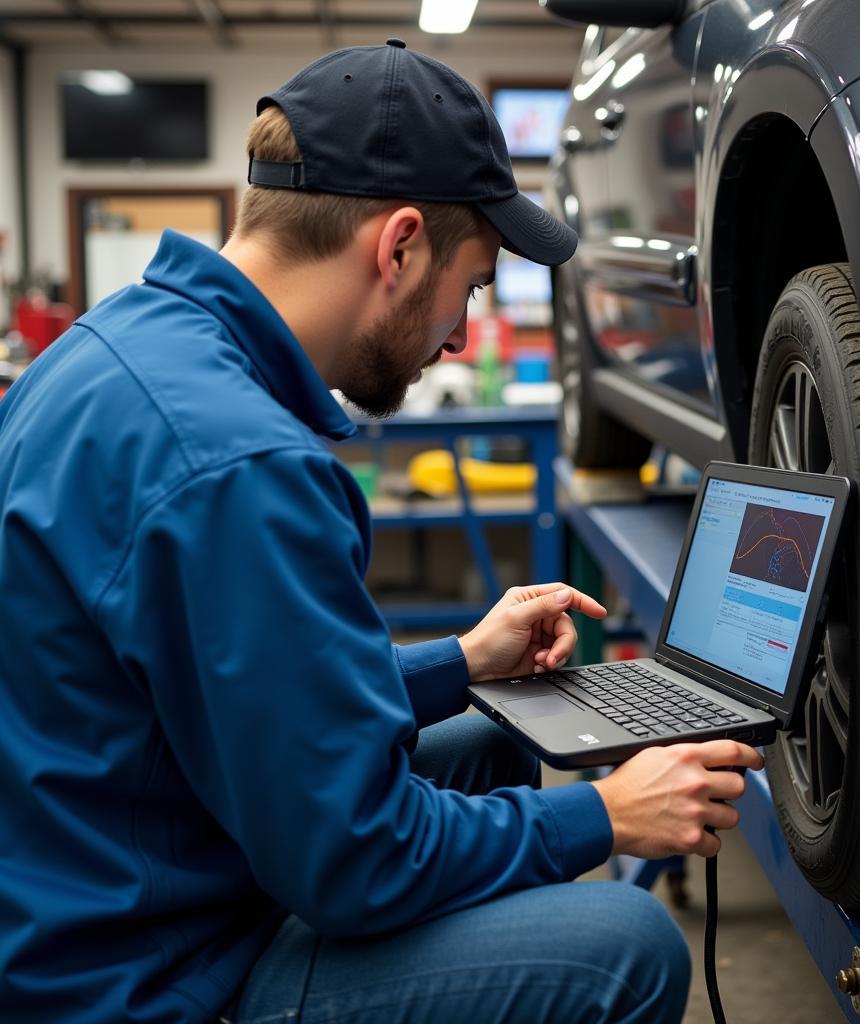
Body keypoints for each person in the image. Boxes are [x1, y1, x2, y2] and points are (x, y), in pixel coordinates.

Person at [0, 41, 762, 1024]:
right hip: (143, 979)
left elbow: (245, 696)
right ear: (397, 245)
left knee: (484, 741)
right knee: (629, 948)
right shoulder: (242, 467)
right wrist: (605, 813)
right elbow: (352, 857)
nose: (457, 336)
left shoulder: (115, 352)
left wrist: (463, 659)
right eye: (472, 286)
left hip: (107, 874)